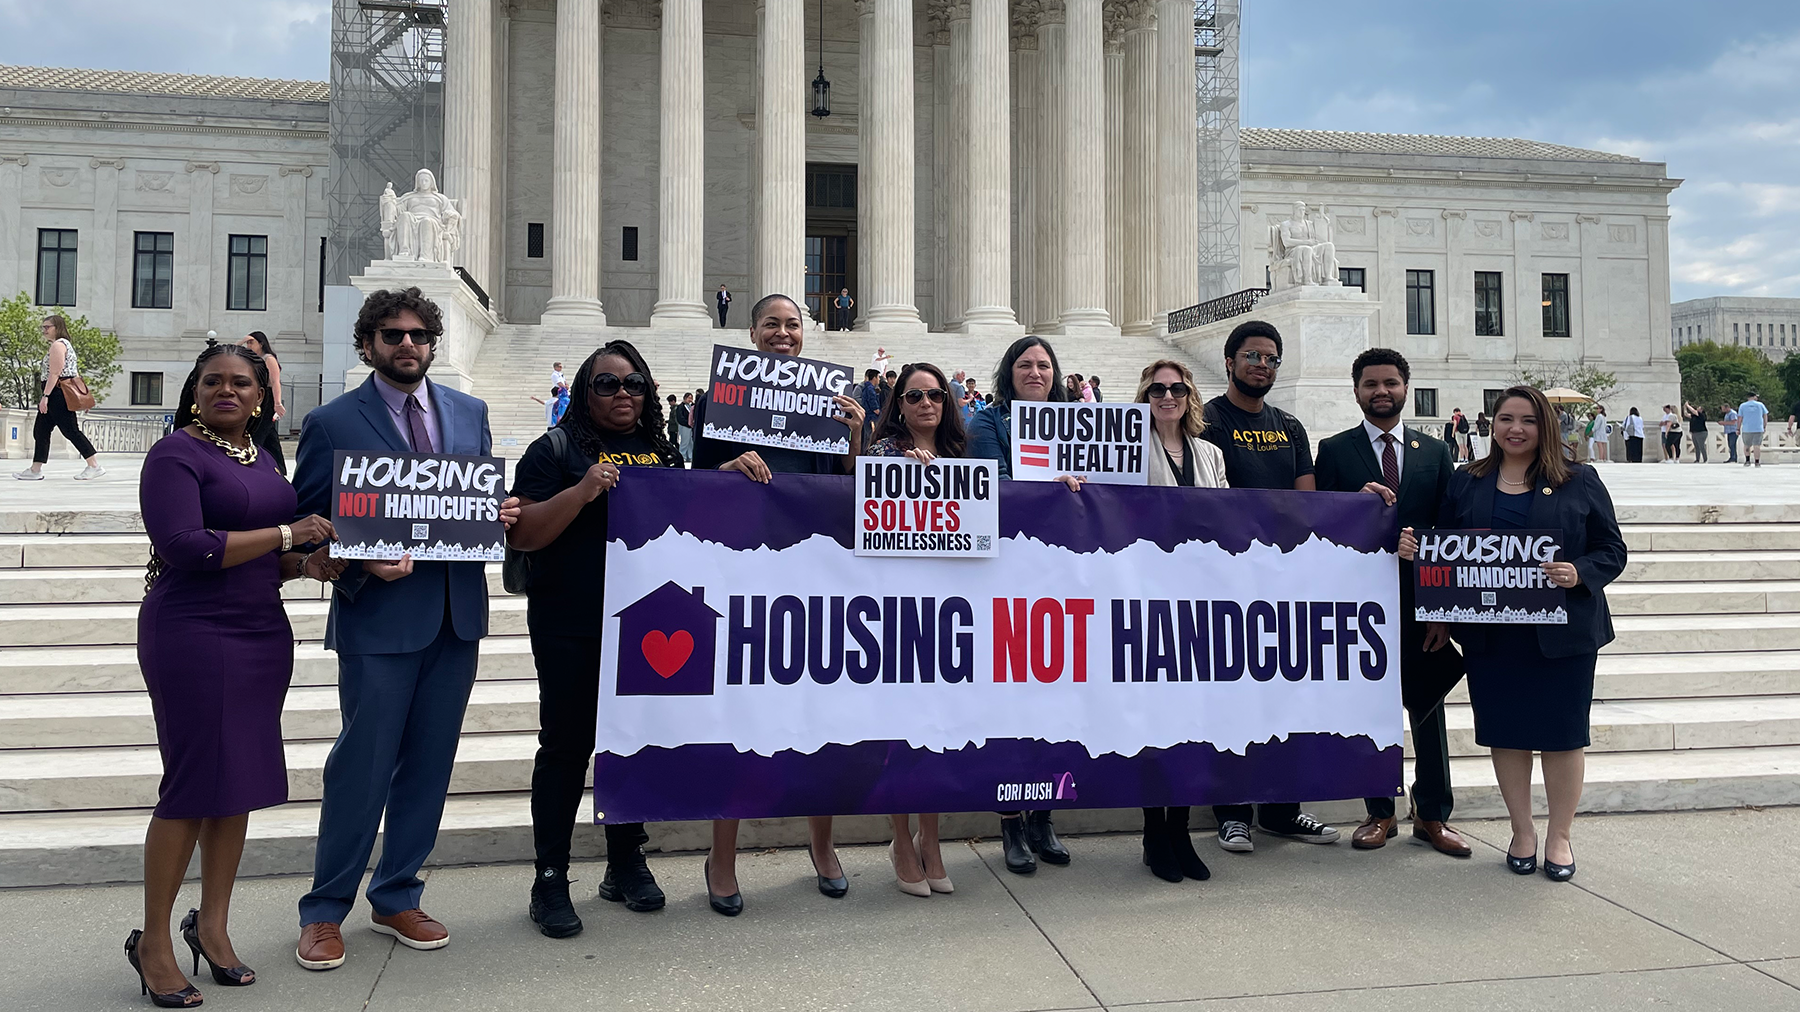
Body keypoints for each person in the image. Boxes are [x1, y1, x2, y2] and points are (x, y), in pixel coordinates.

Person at [291, 287, 520, 971]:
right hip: (378, 619)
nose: (408, 345)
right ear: (368, 345)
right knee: (360, 769)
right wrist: (357, 559)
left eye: (419, 335)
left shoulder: (469, 413)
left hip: (455, 616)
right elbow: (309, 533)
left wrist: (494, 515)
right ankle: (324, 910)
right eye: (392, 335)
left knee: (429, 766)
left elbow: (466, 506)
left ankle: (397, 895)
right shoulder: (332, 422)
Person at [127, 344, 344, 1008]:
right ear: (194, 392)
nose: (227, 390)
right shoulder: (175, 455)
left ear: (260, 396)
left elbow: (262, 556)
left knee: (236, 783)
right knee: (191, 787)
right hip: (192, 632)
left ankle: (213, 926)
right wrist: (288, 536)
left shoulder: (262, 457)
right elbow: (185, 547)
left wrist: (303, 565)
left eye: (241, 382)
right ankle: (154, 943)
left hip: (259, 633)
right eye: (213, 381)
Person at [1400, 385, 1626, 883]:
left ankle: (1560, 836)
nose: (1516, 429)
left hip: (1562, 636)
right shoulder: (1467, 480)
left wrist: (1579, 572)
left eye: (1528, 420)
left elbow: (1612, 550)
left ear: (1545, 426)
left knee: (1564, 737)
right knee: (1506, 734)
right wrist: (1420, 558)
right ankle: (1522, 831)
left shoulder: (1579, 479)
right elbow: (1446, 550)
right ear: (1492, 424)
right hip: (1492, 637)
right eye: (1506, 419)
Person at [690, 293, 866, 915]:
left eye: (793, 325)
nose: (783, 334)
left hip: (813, 574)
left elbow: (847, 491)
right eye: (772, 324)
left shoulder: (828, 401)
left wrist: (855, 436)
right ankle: (722, 856)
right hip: (744, 575)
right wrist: (729, 466)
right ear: (752, 332)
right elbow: (694, 488)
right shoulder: (722, 400)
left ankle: (822, 846)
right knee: (739, 715)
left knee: (819, 715)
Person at [508, 341, 683, 938]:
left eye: (634, 383)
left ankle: (625, 861)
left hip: (647, 623)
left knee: (631, 741)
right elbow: (523, 535)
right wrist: (581, 491)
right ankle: (550, 877)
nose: (622, 394)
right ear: (585, 392)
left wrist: (728, 481)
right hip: (570, 619)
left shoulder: (664, 451)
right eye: (607, 384)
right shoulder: (554, 449)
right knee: (565, 748)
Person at [1314, 349, 1470, 859]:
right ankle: (1379, 811)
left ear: (1406, 387)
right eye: (1371, 384)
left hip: (1421, 601)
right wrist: (1354, 507)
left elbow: (1451, 531)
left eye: (1390, 383)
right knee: (1370, 710)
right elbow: (1319, 528)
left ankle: (1433, 814)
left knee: (1429, 710)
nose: (1381, 391)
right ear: (1356, 391)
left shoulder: (1435, 451)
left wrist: (1441, 609)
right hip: (1360, 605)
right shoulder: (1334, 451)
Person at [1198, 320, 1342, 850]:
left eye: (1271, 358)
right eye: (1252, 356)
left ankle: (1283, 810)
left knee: (1285, 695)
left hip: (1283, 581)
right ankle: (1232, 811)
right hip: (1226, 578)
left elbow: (1306, 502)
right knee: (1232, 696)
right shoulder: (1208, 419)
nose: (1262, 365)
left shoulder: (1291, 427)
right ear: (1229, 361)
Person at [967, 335, 1084, 875]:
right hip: (1007, 573)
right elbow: (992, 484)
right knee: (1009, 701)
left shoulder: (1080, 422)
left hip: (1064, 575)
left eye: (1044, 365)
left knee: (1057, 699)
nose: (1035, 372)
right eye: (1024, 364)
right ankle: (1011, 821)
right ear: (1008, 372)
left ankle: (1044, 817)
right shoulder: (989, 421)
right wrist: (1047, 487)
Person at [864, 362, 965, 897]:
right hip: (898, 607)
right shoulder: (885, 453)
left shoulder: (963, 457)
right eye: (915, 396)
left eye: (936, 394)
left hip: (951, 608)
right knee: (902, 728)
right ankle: (902, 838)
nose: (927, 403)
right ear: (898, 405)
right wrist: (903, 472)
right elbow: (862, 507)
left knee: (939, 729)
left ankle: (932, 839)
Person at [1136, 360, 1227, 882]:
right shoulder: (1128, 449)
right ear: (1145, 396)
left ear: (1190, 395)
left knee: (1192, 721)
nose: (1167, 396)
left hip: (1198, 601)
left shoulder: (1211, 454)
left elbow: (1227, 519)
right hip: (1146, 599)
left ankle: (1181, 829)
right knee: (1153, 721)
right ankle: (1155, 832)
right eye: (1157, 389)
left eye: (1176, 388)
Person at [13, 314, 104, 480]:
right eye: (43, 327)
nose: (44, 330)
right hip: (58, 392)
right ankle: (35, 469)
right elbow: (74, 373)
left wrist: (45, 396)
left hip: (57, 393)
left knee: (70, 430)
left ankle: (94, 465)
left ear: (58, 327)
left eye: (48, 327)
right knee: (41, 430)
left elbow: (55, 373)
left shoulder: (58, 345)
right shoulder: (64, 345)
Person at [241, 332, 288, 476]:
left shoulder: (268, 358)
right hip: (257, 396)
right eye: (247, 343)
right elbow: (231, 353)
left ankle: (254, 462)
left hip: (266, 398)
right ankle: (278, 466)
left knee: (259, 430)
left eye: (251, 342)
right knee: (269, 435)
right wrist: (241, 341)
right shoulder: (252, 358)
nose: (248, 345)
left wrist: (277, 403)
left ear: (261, 344)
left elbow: (275, 382)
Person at [1738, 392, 1770, 467]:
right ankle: (1757, 462)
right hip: (1758, 428)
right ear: (1754, 397)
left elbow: (1740, 418)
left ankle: (1747, 460)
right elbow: (1765, 415)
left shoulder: (1742, 406)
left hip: (1746, 429)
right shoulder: (1760, 405)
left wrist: (1738, 428)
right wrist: (1764, 426)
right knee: (1757, 445)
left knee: (1746, 445)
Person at [677, 391, 696, 462]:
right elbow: (680, 418)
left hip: (691, 426)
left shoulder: (692, 406)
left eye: (691, 398)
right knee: (684, 442)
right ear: (685, 398)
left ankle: (690, 456)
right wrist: (688, 423)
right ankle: (683, 455)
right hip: (684, 426)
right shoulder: (680, 407)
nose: (690, 400)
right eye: (689, 398)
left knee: (691, 442)